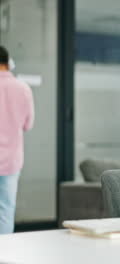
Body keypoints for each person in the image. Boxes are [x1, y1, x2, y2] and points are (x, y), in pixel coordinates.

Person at [0, 46, 34, 234]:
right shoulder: (22, 88)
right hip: (11, 161)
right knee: (5, 209)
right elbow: (28, 124)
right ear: (8, 62)